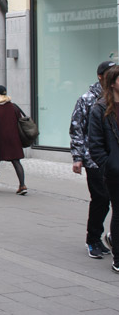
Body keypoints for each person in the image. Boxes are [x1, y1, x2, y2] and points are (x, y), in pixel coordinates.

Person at [71, 60, 114, 259]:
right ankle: (93, 239)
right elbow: (77, 128)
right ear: (101, 76)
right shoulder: (88, 99)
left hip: (114, 157)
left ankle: (112, 236)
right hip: (94, 158)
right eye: (110, 73)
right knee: (101, 199)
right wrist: (77, 157)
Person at [88, 64, 119, 273]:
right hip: (115, 171)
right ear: (112, 82)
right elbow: (95, 144)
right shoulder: (99, 108)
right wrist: (110, 165)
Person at [0, 85, 27, 195]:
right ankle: (22, 185)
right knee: (16, 161)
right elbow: (19, 121)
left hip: (0, 139)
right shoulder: (13, 107)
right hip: (14, 138)